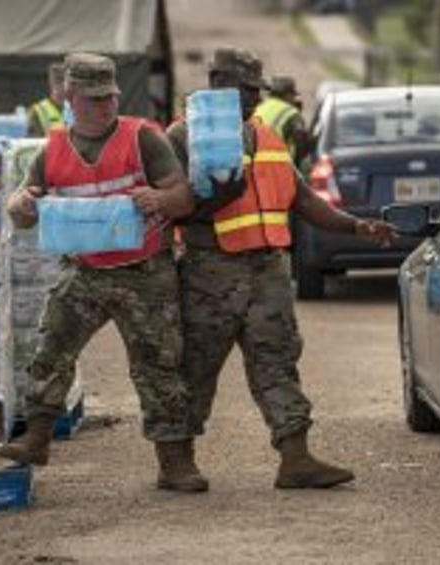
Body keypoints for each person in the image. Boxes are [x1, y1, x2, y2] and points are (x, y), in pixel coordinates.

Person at [166, 47, 395, 489]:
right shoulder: (181, 137)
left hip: (268, 271)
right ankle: (176, 462)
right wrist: (211, 196)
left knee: (278, 362)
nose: (254, 98)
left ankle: (296, 459)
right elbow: (171, 207)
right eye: (245, 89)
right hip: (210, 272)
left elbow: (304, 200)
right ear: (217, 83)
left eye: (257, 90)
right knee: (195, 368)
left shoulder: (265, 135)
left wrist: (357, 226)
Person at [0, 53, 207, 493]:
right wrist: (21, 205)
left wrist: (160, 199)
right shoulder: (52, 149)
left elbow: (184, 197)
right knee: (51, 349)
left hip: (145, 271)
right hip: (86, 271)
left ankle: (175, 462)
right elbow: (24, 209)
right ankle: (36, 438)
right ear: (69, 97)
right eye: (93, 99)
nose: (105, 106)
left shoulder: (143, 138)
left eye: (109, 97)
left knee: (159, 366)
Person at [253, 74, 310, 167]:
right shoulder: (291, 113)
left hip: (254, 164)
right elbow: (302, 144)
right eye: (293, 95)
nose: (294, 99)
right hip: (277, 166)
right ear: (287, 94)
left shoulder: (259, 107)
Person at [27, 62, 67, 137]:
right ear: (52, 84)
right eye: (59, 82)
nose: (64, 87)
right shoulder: (38, 110)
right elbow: (33, 140)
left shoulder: (78, 108)